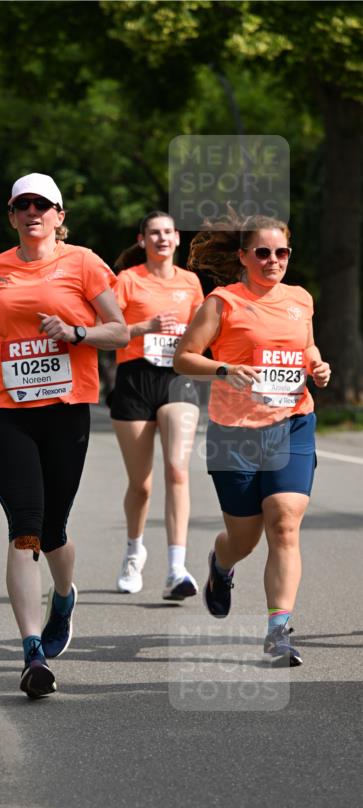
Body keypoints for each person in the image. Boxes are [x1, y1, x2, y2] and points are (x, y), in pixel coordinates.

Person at [0, 173, 128, 699]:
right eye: (23, 205)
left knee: (53, 530)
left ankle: (64, 595)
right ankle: (32, 652)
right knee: (24, 528)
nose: (33, 212)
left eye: (42, 204)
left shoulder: (84, 263)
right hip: (9, 412)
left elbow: (120, 331)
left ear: (59, 215)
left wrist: (76, 332)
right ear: (12, 215)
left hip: (66, 411)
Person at [173, 214, 331, 665]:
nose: (273, 260)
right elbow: (184, 358)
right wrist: (224, 369)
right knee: (243, 538)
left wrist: (317, 365)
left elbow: (306, 346)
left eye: (281, 252)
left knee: (284, 523)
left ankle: (278, 631)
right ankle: (221, 565)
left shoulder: (300, 299)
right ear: (243, 256)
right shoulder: (222, 303)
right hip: (235, 433)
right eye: (262, 252)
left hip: (292, 422)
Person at [109, 212, 205, 600]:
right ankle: (134, 552)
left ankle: (176, 569)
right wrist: (144, 327)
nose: (162, 238)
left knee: (177, 471)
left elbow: (205, 332)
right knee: (142, 485)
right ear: (142, 240)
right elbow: (110, 333)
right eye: (154, 233)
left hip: (177, 379)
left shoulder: (191, 282)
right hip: (134, 380)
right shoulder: (128, 280)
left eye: (168, 232)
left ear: (178, 238)